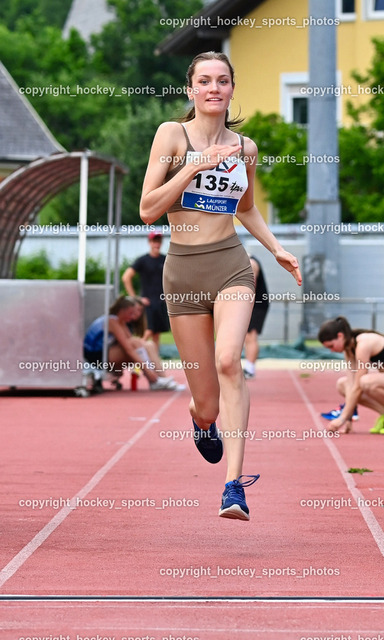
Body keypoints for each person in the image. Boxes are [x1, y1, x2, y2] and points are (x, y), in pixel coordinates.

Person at [139, 51, 301, 520]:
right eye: (205, 81)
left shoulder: (245, 148)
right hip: (184, 271)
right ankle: (200, 419)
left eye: (223, 81)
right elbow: (148, 209)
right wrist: (194, 165)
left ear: (232, 89)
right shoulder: (172, 135)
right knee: (207, 405)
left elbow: (246, 209)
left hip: (231, 264)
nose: (214, 88)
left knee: (230, 359)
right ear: (191, 90)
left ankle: (234, 486)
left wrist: (275, 248)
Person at [318, 316, 384, 434]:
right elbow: (351, 386)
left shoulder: (363, 343)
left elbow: (358, 384)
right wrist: (348, 419)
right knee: (342, 384)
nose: (332, 351)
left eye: (331, 346)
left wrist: (341, 418)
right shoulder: (349, 350)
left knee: (365, 381)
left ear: (340, 336)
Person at [83, 296, 184, 391]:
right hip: (95, 357)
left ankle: (161, 378)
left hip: (104, 353)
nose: (133, 316)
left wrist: (141, 364)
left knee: (149, 345)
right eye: (131, 313)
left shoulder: (120, 322)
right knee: (134, 343)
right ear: (122, 310)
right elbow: (129, 348)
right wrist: (147, 370)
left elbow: (134, 342)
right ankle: (154, 379)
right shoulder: (112, 321)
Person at [122, 231, 169, 350]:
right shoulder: (142, 260)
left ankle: (154, 363)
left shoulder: (165, 260)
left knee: (156, 334)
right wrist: (136, 298)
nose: (156, 244)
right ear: (149, 242)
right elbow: (126, 277)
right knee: (148, 331)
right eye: (154, 241)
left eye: (158, 241)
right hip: (147, 303)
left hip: (161, 302)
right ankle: (135, 356)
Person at [243, 255, 270, 379]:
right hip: (253, 304)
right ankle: (249, 367)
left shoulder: (251, 263)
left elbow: (250, 287)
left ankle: (250, 368)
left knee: (250, 335)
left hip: (256, 305)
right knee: (246, 336)